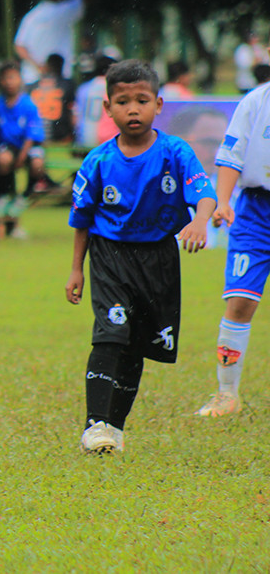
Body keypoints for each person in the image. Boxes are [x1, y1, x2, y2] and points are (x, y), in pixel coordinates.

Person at [65, 60, 215, 454]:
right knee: (111, 334)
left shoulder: (174, 152)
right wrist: (76, 270)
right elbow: (81, 219)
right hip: (111, 256)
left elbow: (204, 192)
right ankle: (94, 424)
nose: (134, 109)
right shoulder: (98, 161)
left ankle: (113, 428)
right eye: (123, 101)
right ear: (108, 108)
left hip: (160, 258)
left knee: (138, 344)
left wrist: (200, 221)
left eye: (142, 100)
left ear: (159, 104)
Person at [194, 68, 270, 417]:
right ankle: (226, 395)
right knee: (240, 300)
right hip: (256, 212)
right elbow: (231, 155)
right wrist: (222, 201)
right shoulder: (256, 100)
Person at [0, 62, 46, 215]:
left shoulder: (28, 104)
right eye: (6, 78)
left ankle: (25, 195)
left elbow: (32, 134)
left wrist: (22, 156)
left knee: (37, 163)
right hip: (8, 145)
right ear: (1, 81)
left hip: (28, 146)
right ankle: (5, 195)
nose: (9, 82)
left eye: (13, 78)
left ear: (20, 80)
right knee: (3, 159)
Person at [14, 0, 84, 85]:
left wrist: (38, 66)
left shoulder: (32, 15)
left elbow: (19, 46)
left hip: (33, 78)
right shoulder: (67, 9)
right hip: (56, 79)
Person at [74, 55, 119, 149]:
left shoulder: (84, 88)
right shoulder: (115, 89)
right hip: (109, 139)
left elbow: (76, 116)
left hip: (85, 138)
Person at [29, 53, 75, 144]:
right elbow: (72, 111)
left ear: (47, 66)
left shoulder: (33, 86)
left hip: (37, 134)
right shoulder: (67, 84)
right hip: (61, 135)